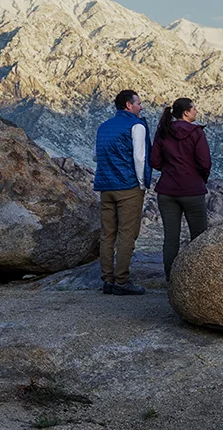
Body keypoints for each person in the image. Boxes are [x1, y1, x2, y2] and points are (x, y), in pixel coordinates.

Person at [93, 90, 151, 295]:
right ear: (128, 105)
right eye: (138, 103)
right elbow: (139, 158)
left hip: (105, 187)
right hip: (128, 187)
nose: (141, 107)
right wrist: (142, 184)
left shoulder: (103, 126)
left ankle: (107, 280)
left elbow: (96, 156)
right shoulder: (137, 125)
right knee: (127, 234)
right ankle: (122, 281)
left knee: (107, 235)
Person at [150, 97, 211, 279]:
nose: (196, 111)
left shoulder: (163, 131)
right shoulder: (196, 133)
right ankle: (198, 278)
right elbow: (205, 162)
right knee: (199, 237)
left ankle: (171, 278)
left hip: (167, 191)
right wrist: (199, 178)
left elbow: (155, 161)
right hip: (192, 190)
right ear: (186, 112)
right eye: (194, 108)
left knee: (171, 238)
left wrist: (169, 170)